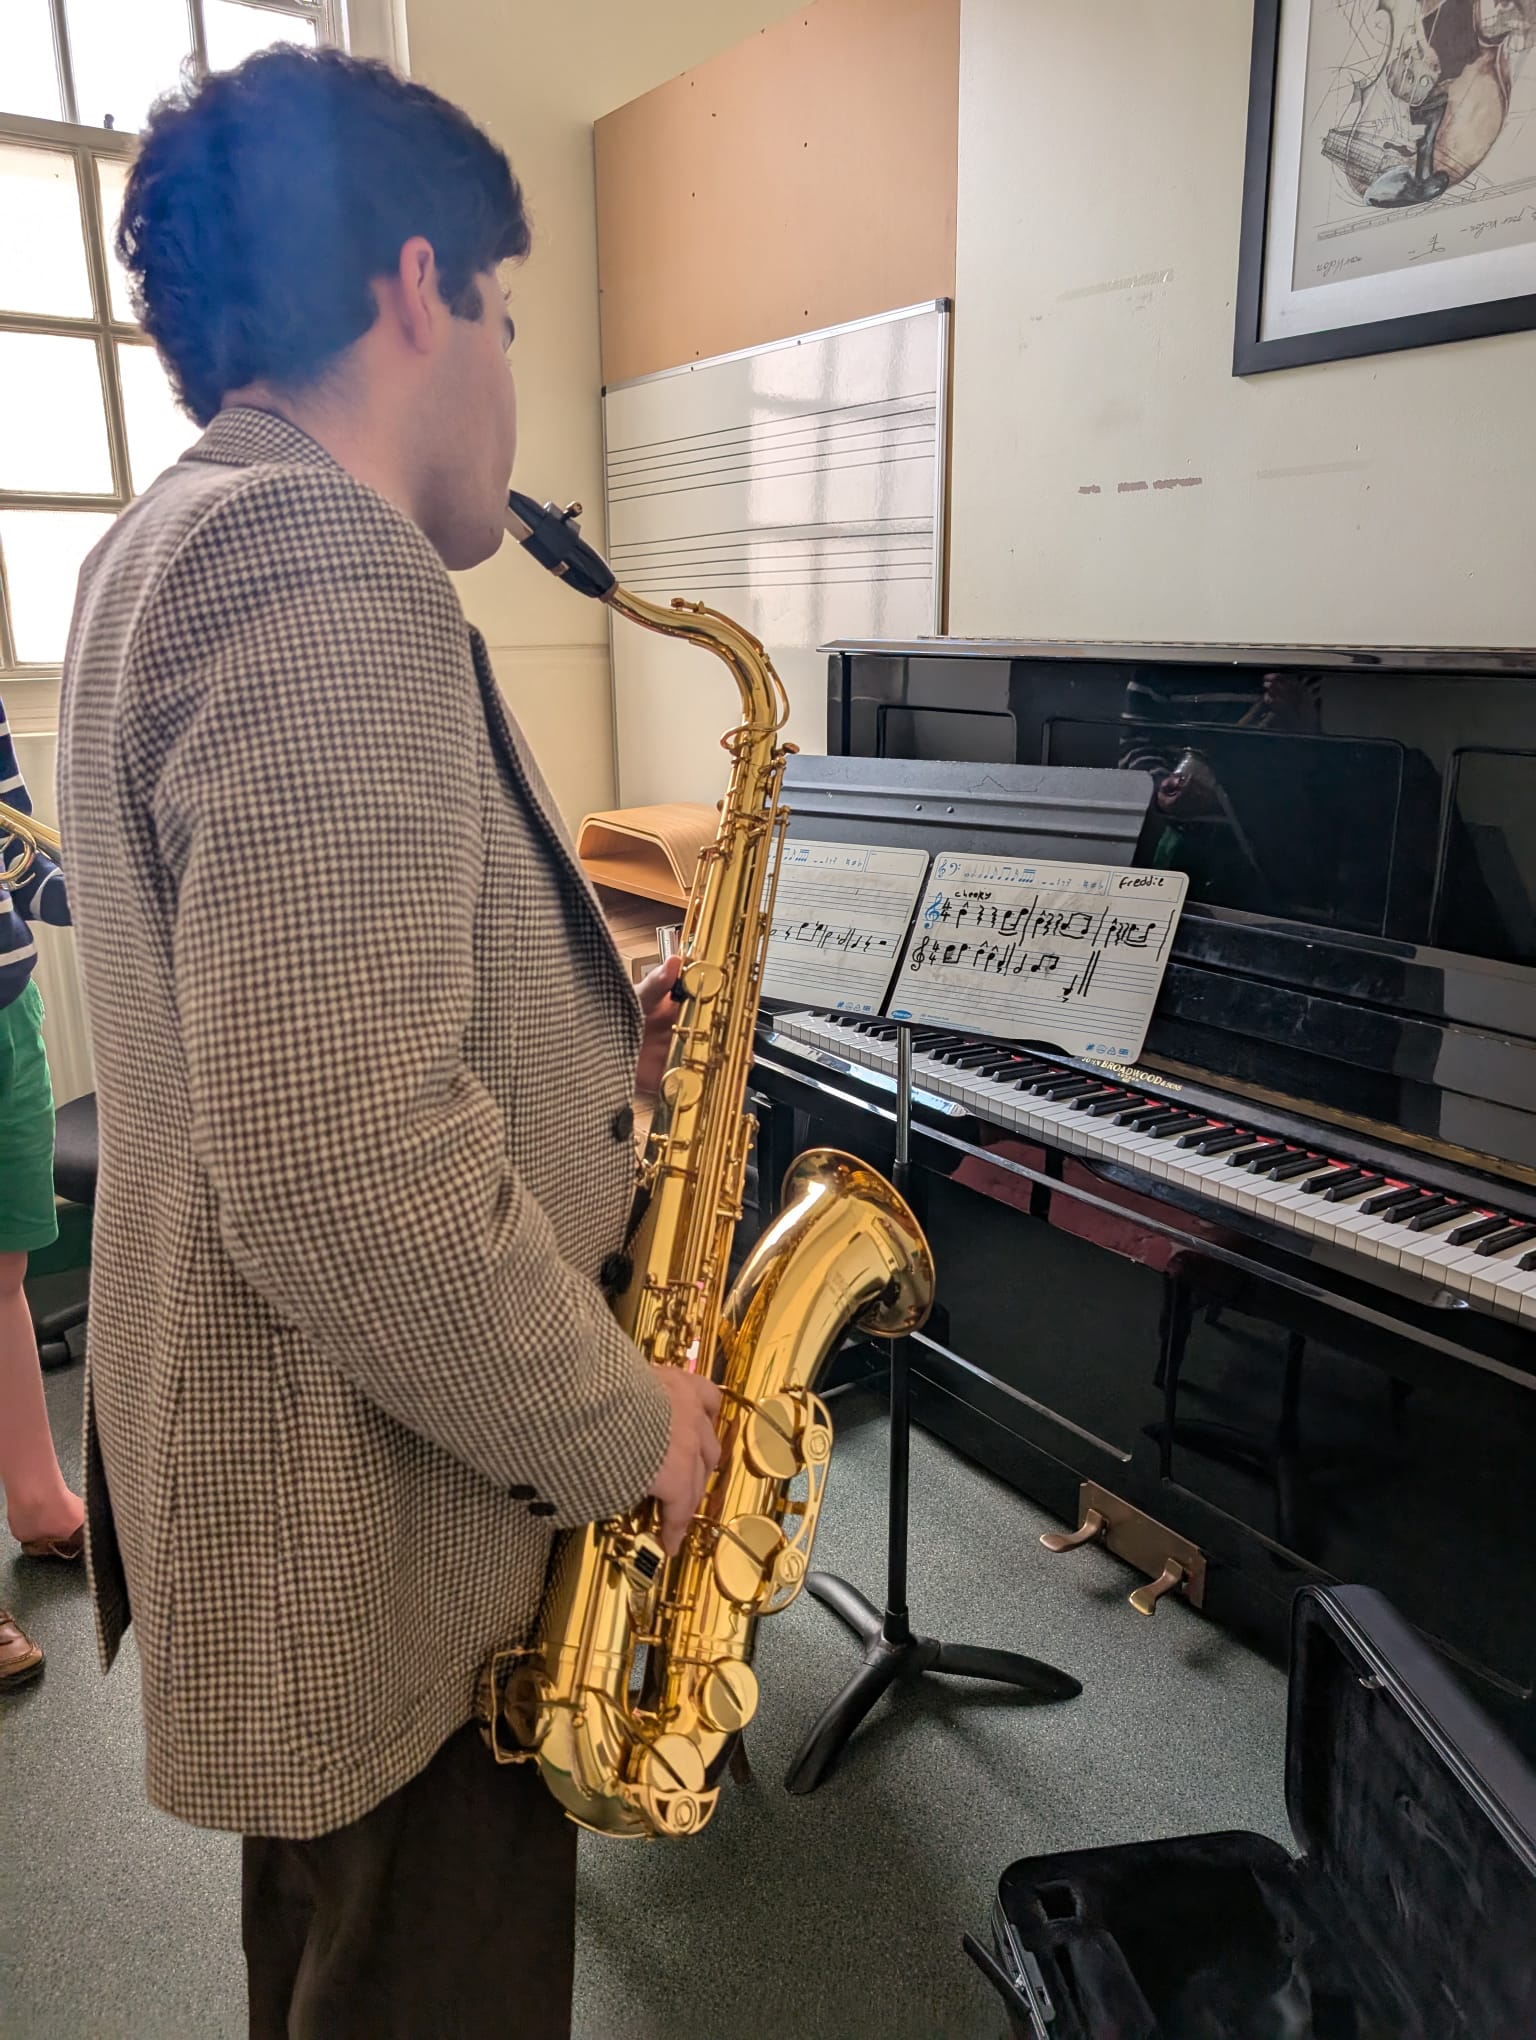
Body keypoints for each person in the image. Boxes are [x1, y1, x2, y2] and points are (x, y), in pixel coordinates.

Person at [58, 47, 720, 2039]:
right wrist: (629, 1431)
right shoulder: (318, 558)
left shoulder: (165, 535)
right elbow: (338, 1159)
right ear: (424, 287)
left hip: (294, 1477)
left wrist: (586, 1046)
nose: (511, 373)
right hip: (378, 1521)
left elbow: (267, 1035)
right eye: (510, 315)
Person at [0, 705, 84, 1692]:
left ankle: (40, 1502)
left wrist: (100, 892)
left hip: (5, 1007)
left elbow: (17, 852)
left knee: (6, 1272)